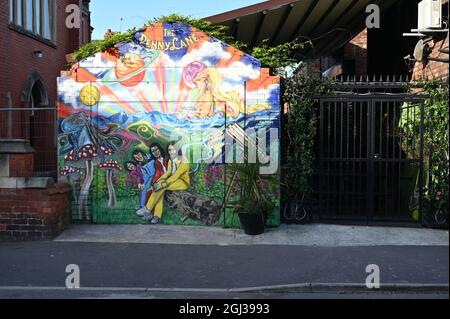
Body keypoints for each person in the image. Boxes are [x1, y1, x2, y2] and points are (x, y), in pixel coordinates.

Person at [145, 142, 190, 224]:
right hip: (173, 181)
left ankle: (147, 208)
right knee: (160, 189)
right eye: (169, 150)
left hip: (182, 182)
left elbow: (176, 175)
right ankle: (157, 216)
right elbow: (167, 173)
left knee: (161, 187)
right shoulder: (170, 160)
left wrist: (163, 184)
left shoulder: (184, 160)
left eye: (173, 149)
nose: (171, 152)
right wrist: (158, 182)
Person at [132, 150, 156, 218]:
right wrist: (143, 183)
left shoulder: (150, 157)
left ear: (142, 153)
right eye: (136, 157)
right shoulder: (141, 165)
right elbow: (145, 175)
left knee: (146, 189)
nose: (138, 157)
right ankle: (142, 206)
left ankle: (145, 208)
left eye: (139, 155)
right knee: (143, 189)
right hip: (150, 178)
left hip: (156, 176)